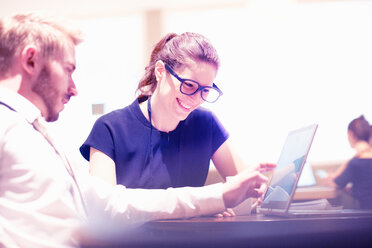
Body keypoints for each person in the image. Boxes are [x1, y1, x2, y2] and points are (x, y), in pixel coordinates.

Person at [0, 13, 273, 247]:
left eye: (204, 91)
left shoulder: (34, 131)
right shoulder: (12, 126)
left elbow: (105, 205)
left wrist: (215, 201)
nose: (74, 88)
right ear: (31, 60)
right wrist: (214, 199)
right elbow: (108, 212)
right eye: (69, 70)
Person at [79, 32, 273, 215]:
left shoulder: (206, 124)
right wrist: (205, 204)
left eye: (205, 90)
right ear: (161, 71)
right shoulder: (109, 128)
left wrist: (255, 187)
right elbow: (103, 211)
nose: (196, 99)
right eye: (189, 85)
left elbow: (246, 187)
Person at [330, 115, 372, 209]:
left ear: (350, 134)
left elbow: (336, 183)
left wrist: (352, 159)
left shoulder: (356, 162)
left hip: (366, 218)